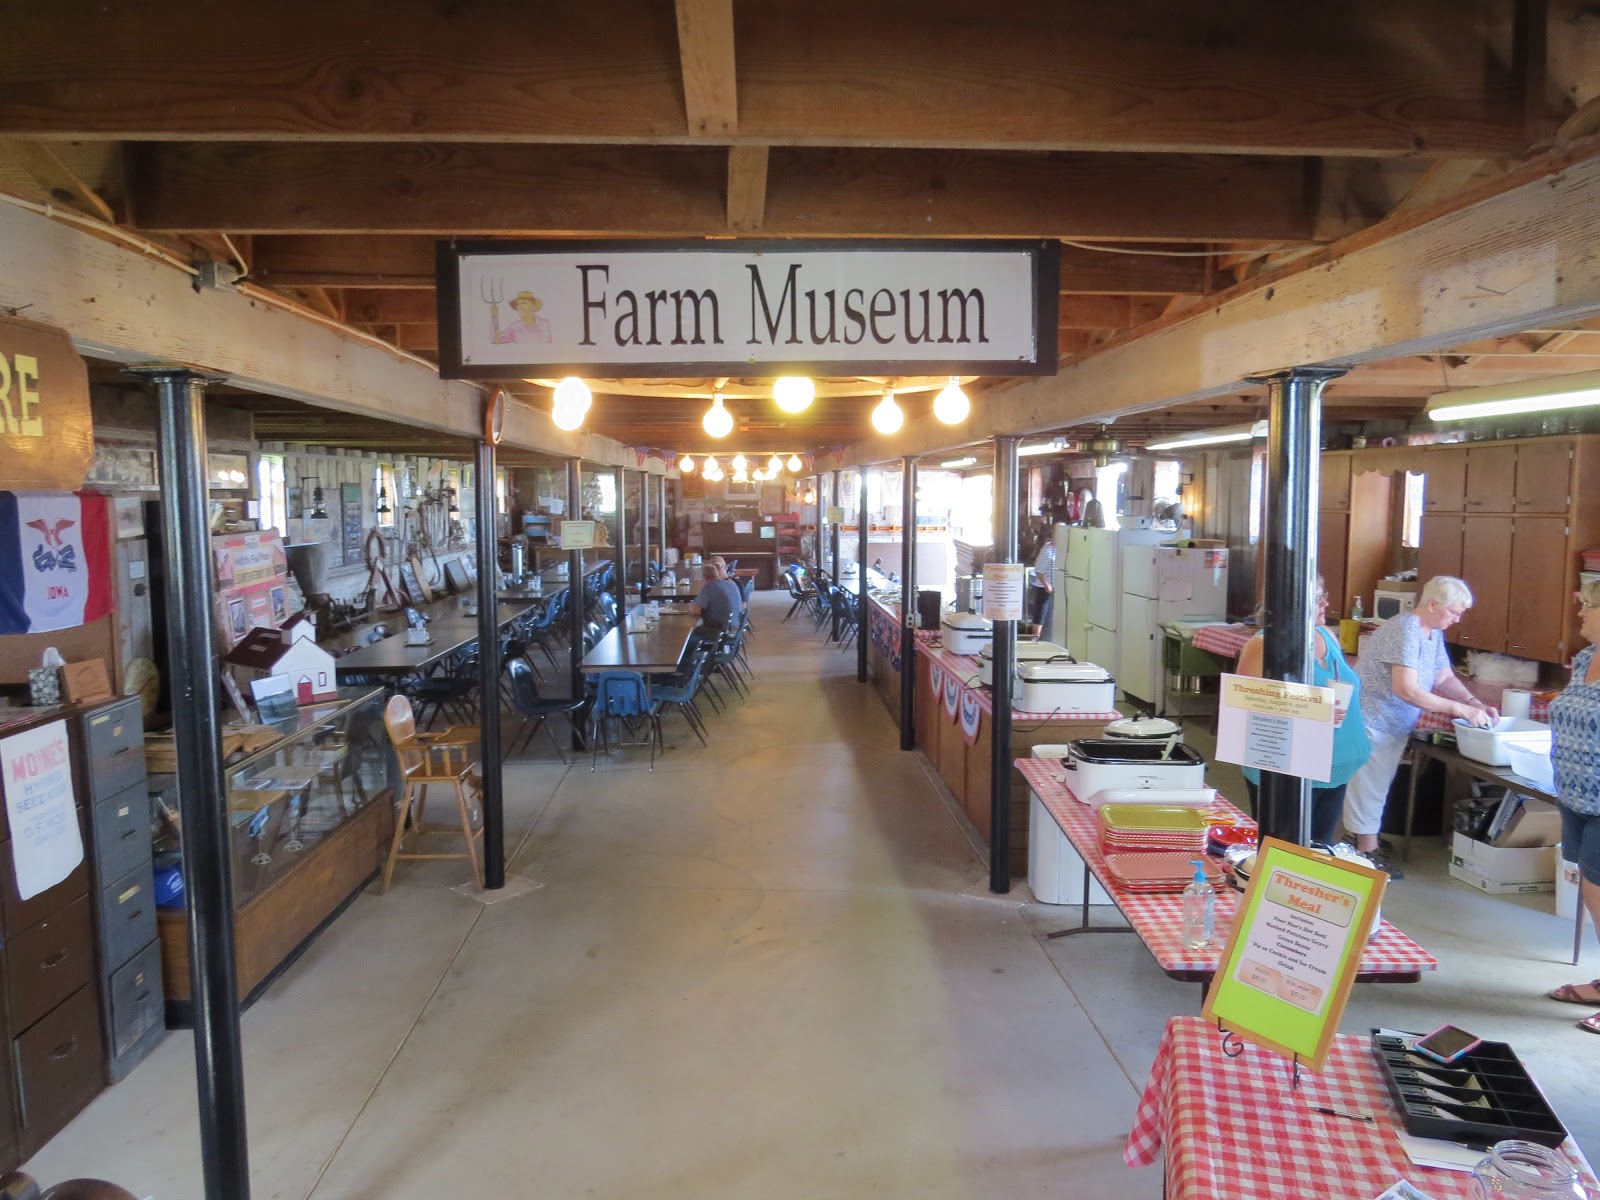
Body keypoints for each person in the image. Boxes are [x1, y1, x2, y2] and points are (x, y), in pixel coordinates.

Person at [1344, 575, 1496, 875]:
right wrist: (1459, 709)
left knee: (1377, 784)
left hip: (1393, 721)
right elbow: (1407, 690)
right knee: (1369, 786)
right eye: (1454, 612)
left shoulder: (1431, 631)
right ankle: (1366, 850)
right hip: (1372, 717)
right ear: (1432, 604)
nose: (1457, 618)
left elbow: (1443, 677)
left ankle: (1362, 838)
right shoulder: (1405, 630)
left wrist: (1473, 702)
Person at [1234, 578, 1370, 847]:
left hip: (1335, 770)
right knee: (1284, 853)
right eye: (1317, 597)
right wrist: (1311, 710)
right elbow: (1243, 704)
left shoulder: (1326, 636)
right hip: (1290, 772)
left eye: (1324, 595)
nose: (1326, 603)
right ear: (1290, 603)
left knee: (1318, 852)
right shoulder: (1263, 645)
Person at [1543, 579, 1600, 1032]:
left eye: (1588, 605)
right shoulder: (1584, 659)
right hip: (1575, 793)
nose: (1579, 610)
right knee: (1590, 889)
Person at [689, 564, 742, 633]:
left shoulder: (708, 587)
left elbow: (696, 611)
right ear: (717, 574)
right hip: (735, 628)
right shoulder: (732, 584)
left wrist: (690, 607)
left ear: (704, 577)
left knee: (690, 633)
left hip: (719, 631)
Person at [1030, 524, 1056, 639]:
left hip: (1057, 587)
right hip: (1044, 588)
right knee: (1040, 615)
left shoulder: (1064, 549)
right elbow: (1039, 571)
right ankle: (1035, 639)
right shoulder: (1047, 550)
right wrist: (1046, 584)